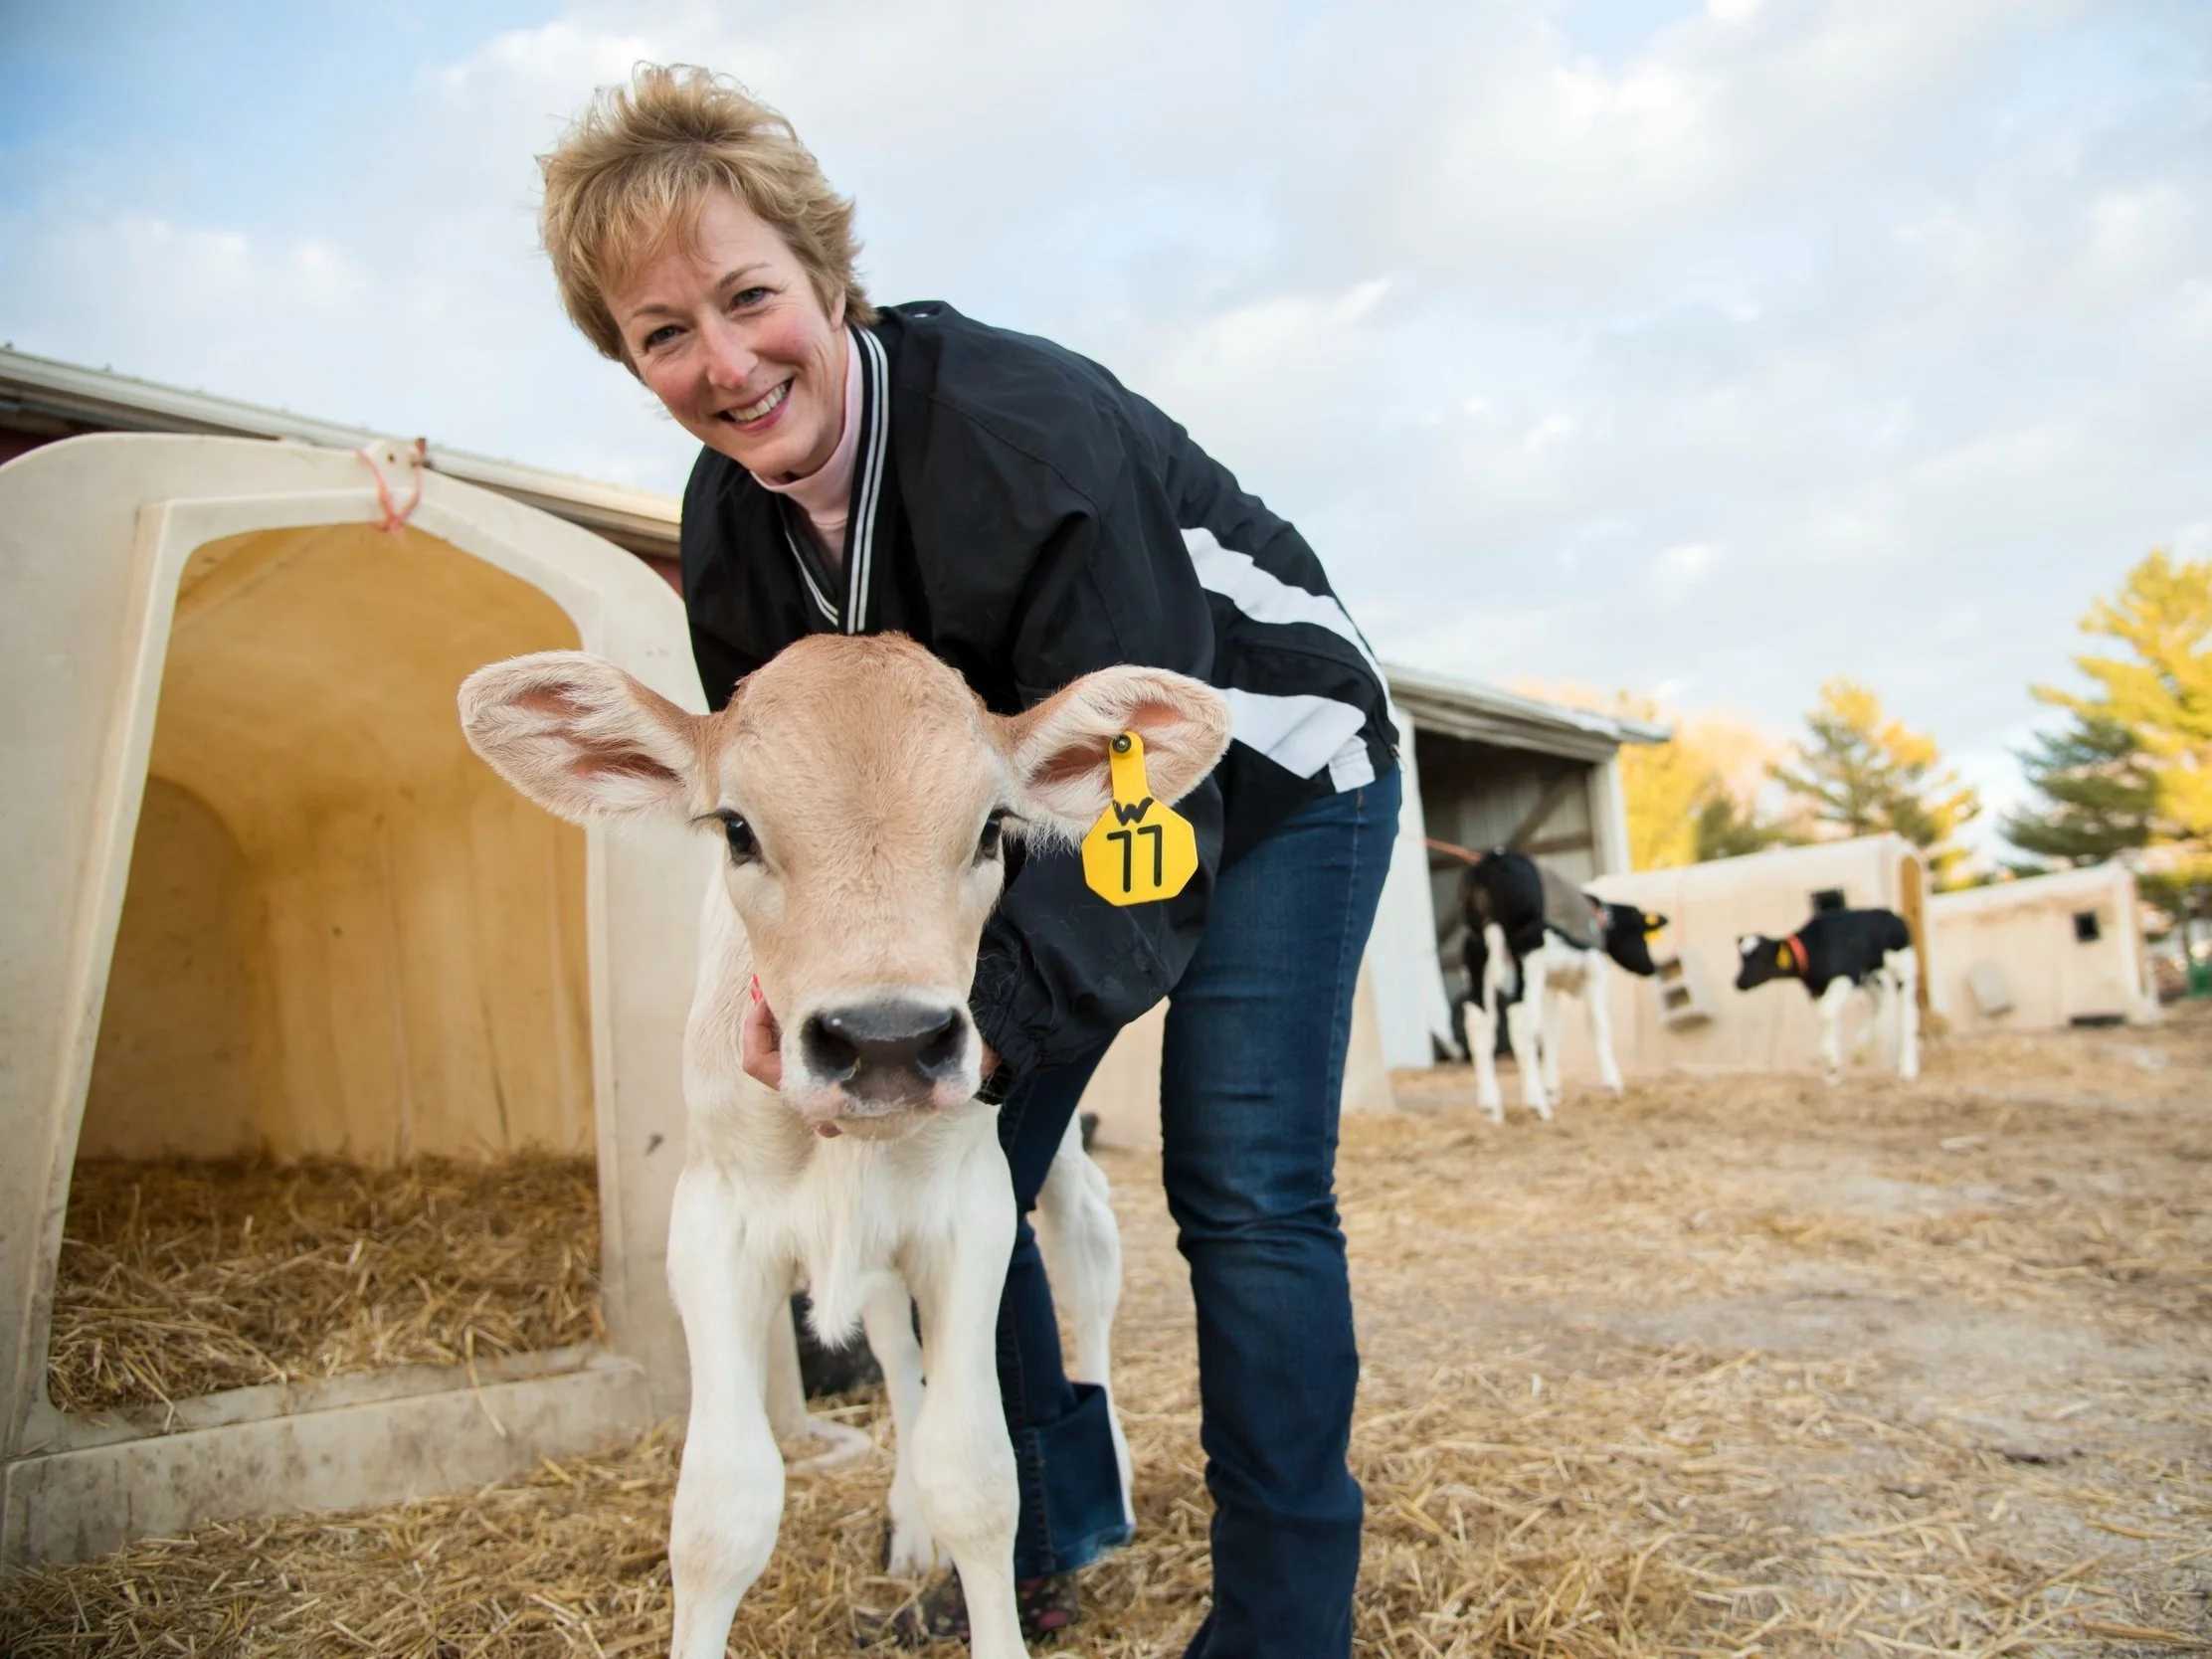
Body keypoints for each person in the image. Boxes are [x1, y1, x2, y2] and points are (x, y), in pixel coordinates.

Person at [539, 65, 1401, 1658]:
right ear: (631, 359)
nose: (725, 364)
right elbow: (797, 806)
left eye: (749, 298)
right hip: (1020, 822)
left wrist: (976, 1015)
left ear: (826, 275)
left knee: (1246, 1185)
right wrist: (799, 986)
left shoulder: (1029, 439)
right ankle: (1054, 1511)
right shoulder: (728, 529)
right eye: (666, 335)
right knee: (954, 1158)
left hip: (1255, 773)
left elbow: (1143, 811)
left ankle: (1286, 1624)